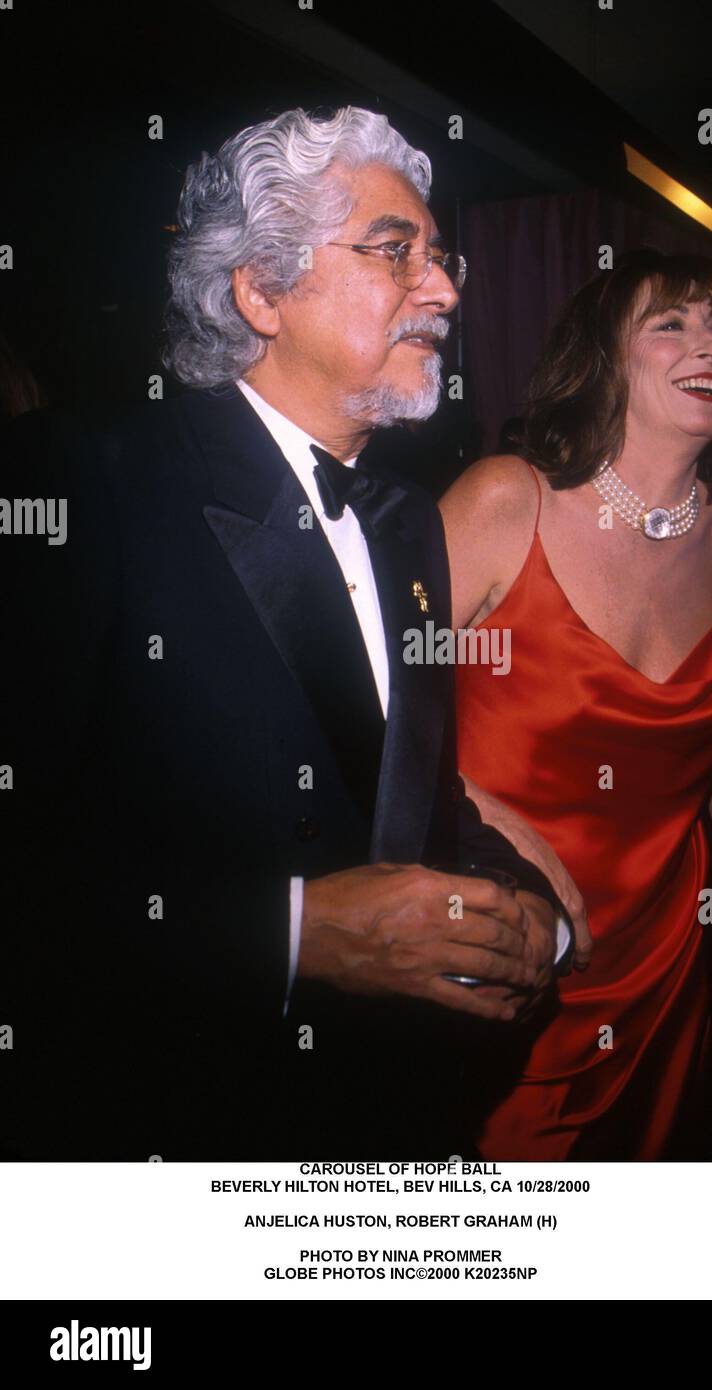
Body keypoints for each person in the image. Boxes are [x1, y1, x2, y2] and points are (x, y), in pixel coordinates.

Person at [0, 106, 562, 1162]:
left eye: (441, 259)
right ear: (259, 291)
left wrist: (532, 917)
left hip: (393, 1137)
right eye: (396, 251)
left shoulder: (404, 526)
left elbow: (414, 802)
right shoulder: (79, 480)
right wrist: (295, 934)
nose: (443, 290)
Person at [441, 250, 712, 1160]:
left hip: (667, 984)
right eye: (669, 323)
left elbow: (709, 742)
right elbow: (366, 704)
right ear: (602, 361)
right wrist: (468, 809)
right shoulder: (506, 502)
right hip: (501, 962)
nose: (707, 340)